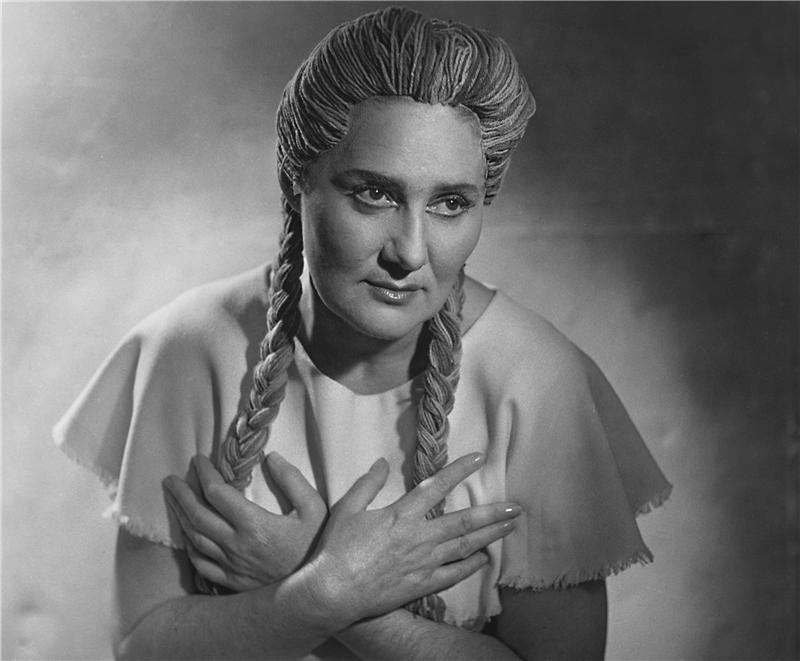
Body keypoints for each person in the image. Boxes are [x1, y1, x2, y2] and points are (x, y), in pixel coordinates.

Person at [54, 7, 671, 660]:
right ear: (297, 180)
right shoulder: (189, 347)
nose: (409, 251)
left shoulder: (537, 381)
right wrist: (323, 591)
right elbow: (141, 647)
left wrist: (324, 588)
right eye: (374, 194)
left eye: (451, 203)